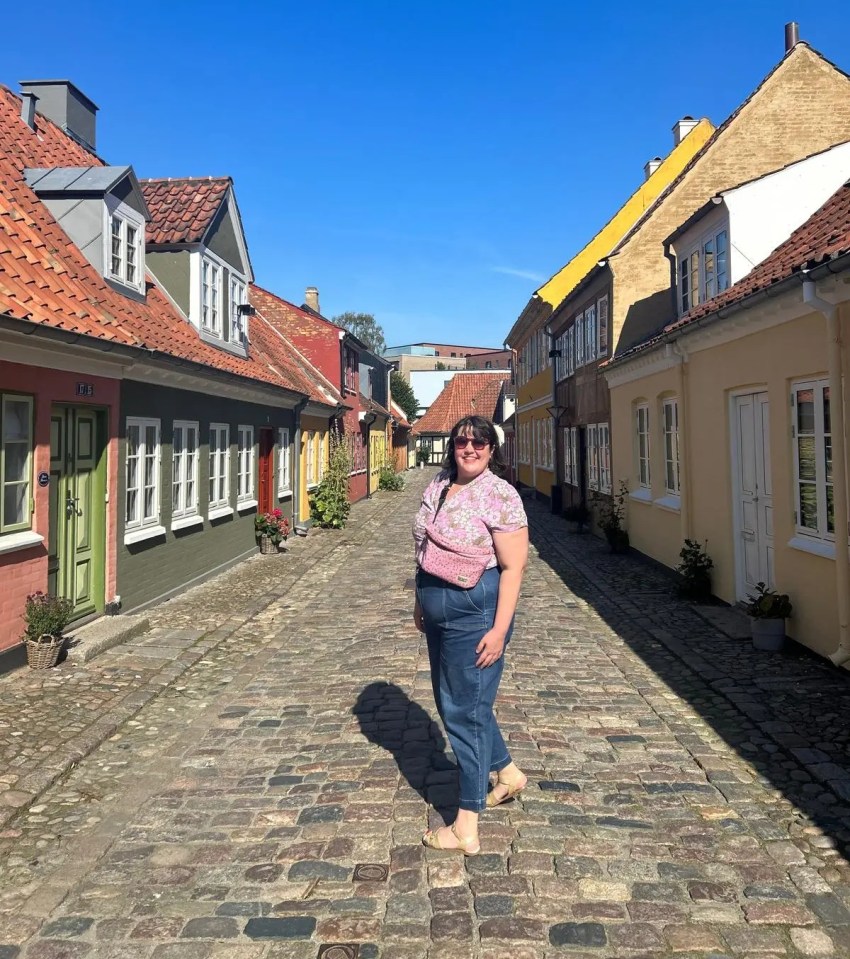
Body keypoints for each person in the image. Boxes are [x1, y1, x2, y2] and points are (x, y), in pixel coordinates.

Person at [412, 415, 529, 855]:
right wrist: (419, 600)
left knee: (466, 711)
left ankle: (466, 824)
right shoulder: (439, 484)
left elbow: (514, 567)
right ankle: (509, 773)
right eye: (462, 441)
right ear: (452, 446)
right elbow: (423, 546)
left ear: (491, 449)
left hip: (477, 616)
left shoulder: (501, 495)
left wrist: (498, 630)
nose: (470, 449)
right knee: (453, 701)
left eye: (480, 443)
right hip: (438, 610)